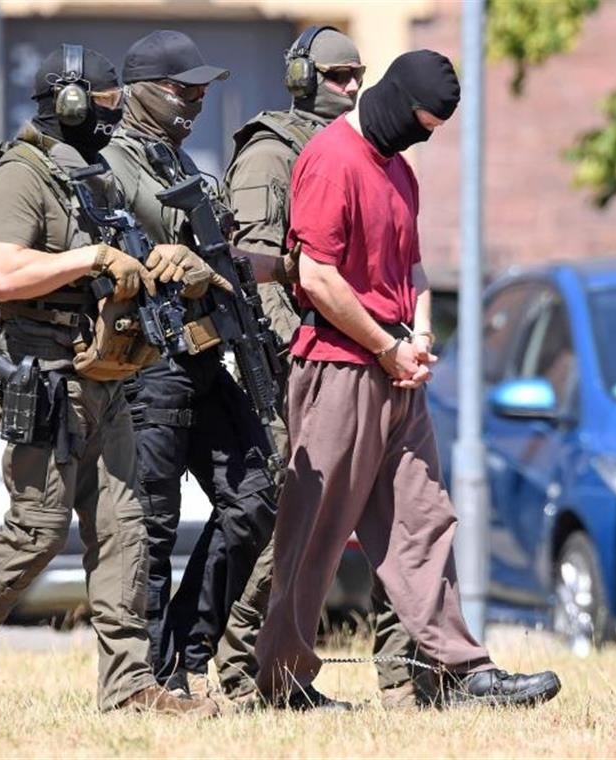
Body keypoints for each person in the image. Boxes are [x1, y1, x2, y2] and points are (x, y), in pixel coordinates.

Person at [0, 45, 218, 717]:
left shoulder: (92, 176)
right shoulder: (20, 177)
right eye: (105, 106)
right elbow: (9, 270)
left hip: (106, 376)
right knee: (36, 533)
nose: (113, 119)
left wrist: (162, 260)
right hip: (45, 384)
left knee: (125, 528)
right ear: (71, 104)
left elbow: (116, 266)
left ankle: (130, 686)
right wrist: (93, 255)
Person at [253, 50, 564, 710]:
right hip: (338, 371)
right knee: (316, 536)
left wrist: (418, 338)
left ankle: (464, 672)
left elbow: (411, 268)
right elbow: (316, 277)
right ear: (395, 103)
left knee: (425, 521)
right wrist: (386, 345)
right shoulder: (331, 160)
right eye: (421, 122)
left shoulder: (400, 170)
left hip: (396, 375)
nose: (423, 136)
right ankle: (280, 684)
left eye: (435, 128)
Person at [219, 25, 431, 709]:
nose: (349, 88)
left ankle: (410, 678)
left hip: (373, 361)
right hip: (308, 366)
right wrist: (290, 365)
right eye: (335, 76)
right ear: (302, 77)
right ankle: (248, 670)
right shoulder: (271, 154)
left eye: (356, 76)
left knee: (409, 520)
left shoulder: (372, 152)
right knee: (298, 528)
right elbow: (257, 273)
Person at [100, 29, 289, 700]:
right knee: (151, 523)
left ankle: (188, 644)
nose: (199, 101)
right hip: (150, 363)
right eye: (186, 90)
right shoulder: (110, 166)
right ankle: (148, 675)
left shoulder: (178, 163)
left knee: (258, 499)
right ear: (145, 92)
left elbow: (223, 260)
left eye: (204, 90)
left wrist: (215, 268)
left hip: (207, 353)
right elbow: (105, 260)